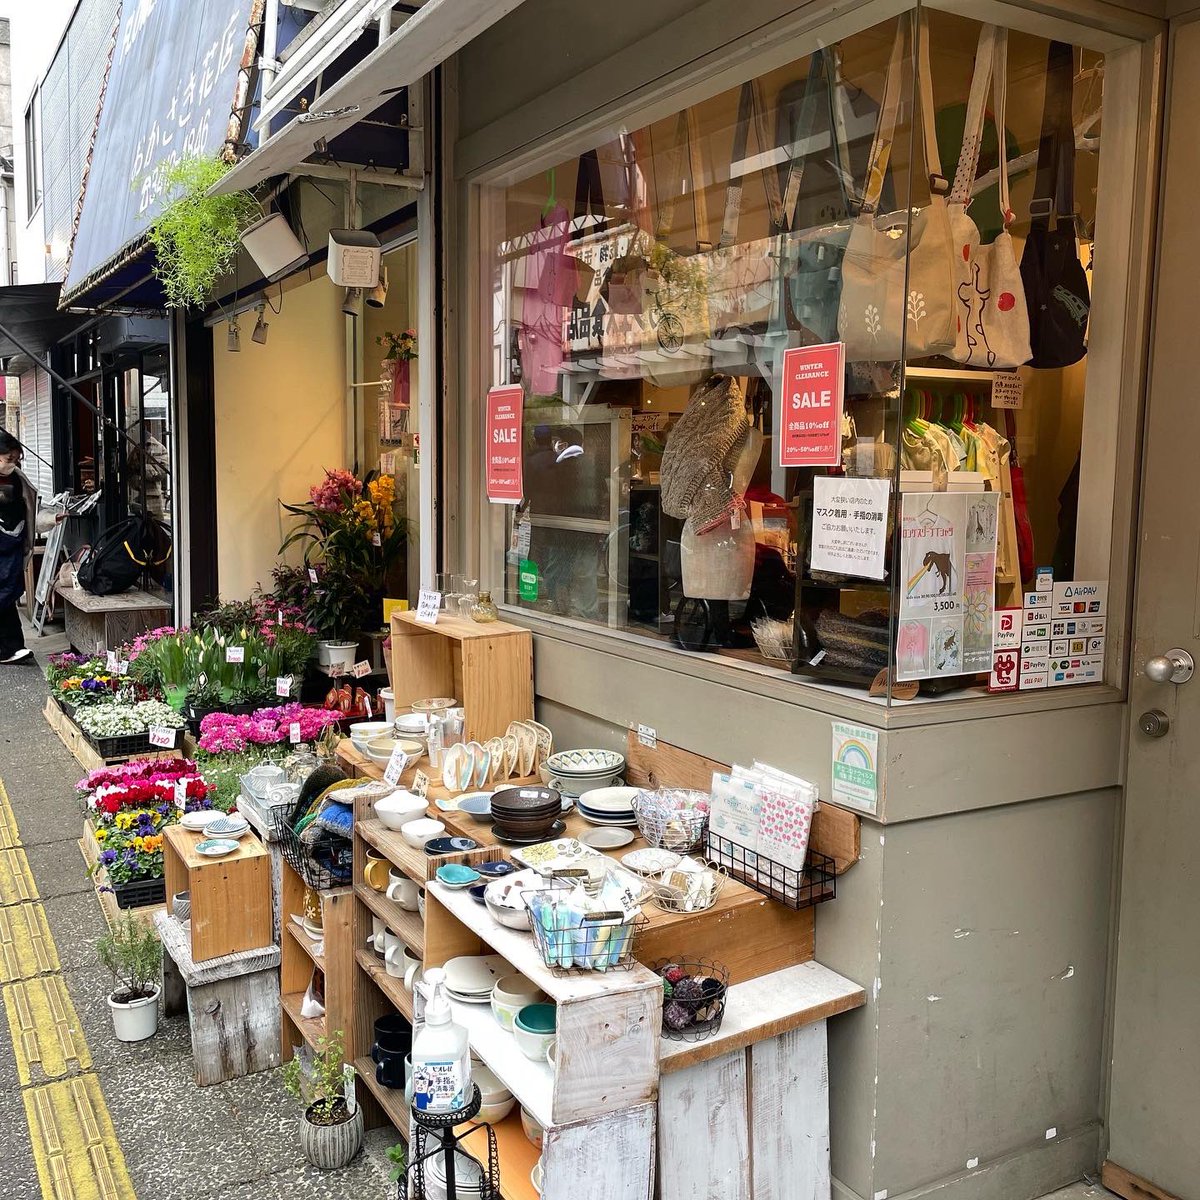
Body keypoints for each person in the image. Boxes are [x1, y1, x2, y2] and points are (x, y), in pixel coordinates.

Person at [0, 431, 37, 664]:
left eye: (15, 459)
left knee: (9, 594)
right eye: (8, 459)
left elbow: (30, 510)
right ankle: (10, 648)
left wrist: (49, 520)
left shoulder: (18, 479)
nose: (12, 464)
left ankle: (12, 648)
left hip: (12, 544)